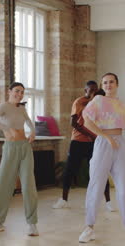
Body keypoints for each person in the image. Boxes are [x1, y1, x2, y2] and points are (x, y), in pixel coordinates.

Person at [78, 73, 125, 246]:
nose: (108, 85)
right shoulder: (98, 101)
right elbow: (86, 122)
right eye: (105, 82)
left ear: (117, 84)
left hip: (120, 145)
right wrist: (106, 137)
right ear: (102, 85)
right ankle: (89, 227)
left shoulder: (120, 104)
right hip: (103, 144)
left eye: (111, 82)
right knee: (96, 186)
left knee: (123, 189)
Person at [0, 82, 39, 236]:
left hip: (25, 148)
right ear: (9, 91)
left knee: (29, 185)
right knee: (3, 184)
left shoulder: (21, 108)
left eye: (22, 92)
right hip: (10, 148)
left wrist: (33, 132)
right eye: (16, 91)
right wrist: (7, 128)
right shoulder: (4, 106)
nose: (19, 94)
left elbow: (28, 121)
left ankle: (32, 224)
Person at [52, 81, 114, 211]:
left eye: (95, 90)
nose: (92, 92)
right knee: (69, 170)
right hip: (78, 142)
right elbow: (73, 123)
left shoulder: (100, 104)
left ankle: (108, 202)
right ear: (85, 90)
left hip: (94, 142)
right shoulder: (79, 102)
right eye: (90, 89)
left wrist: (99, 136)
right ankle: (64, 200)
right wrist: (89, 134)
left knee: (101, 170)